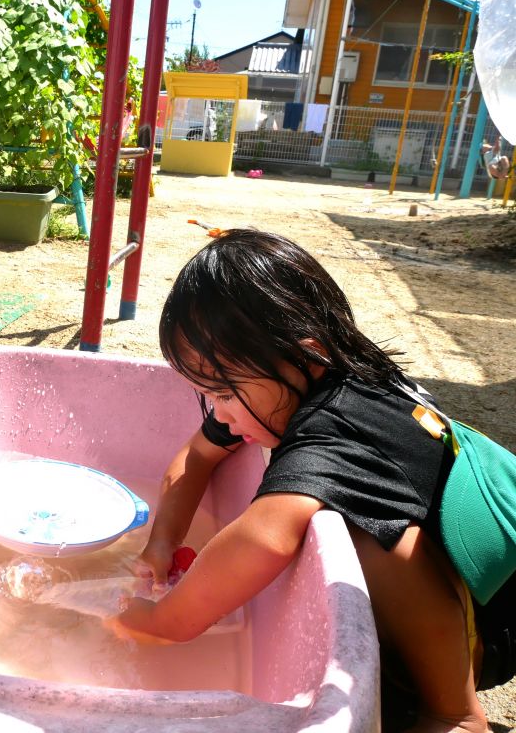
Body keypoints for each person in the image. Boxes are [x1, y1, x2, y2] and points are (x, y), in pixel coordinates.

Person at [109, 229, 514, 733]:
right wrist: (162, 544)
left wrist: (153, 622)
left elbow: (262, 537)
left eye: (226, 394)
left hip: (490, 622)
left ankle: (452, 711)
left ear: (307, 354)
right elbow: (194, 458)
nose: (221, 413)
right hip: (474, 576)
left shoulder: (335, 432)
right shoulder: (301, 379)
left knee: (357, 527)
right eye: (208, 394)